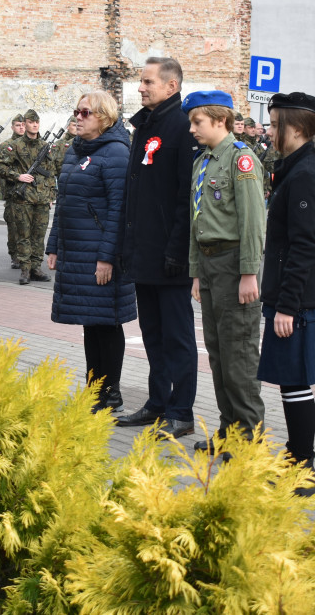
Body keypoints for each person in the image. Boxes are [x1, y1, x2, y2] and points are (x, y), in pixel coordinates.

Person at [259, 92, 315, 497]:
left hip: (300, 301)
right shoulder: (297, 168)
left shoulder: (306, 173)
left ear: (294, 128)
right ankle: (295, 459)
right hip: (294, 297)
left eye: (274, 125)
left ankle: (304, 469)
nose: (270, 131)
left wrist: (287, 305)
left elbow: (304, 246)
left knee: (296, 385)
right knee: (292, 384)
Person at [114, 57, 198, 437]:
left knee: (177, 338)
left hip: (170, 256)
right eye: (141, 81)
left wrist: (177, 251)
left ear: (171, 86)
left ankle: (181, 410)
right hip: (143, 253)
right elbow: (135, 194)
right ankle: (157, 403)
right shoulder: (145, 125)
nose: (141, 87)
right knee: (152, 335)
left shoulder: (181, 127)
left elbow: (185, 197)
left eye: (148, 81)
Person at [184, 90, 267, 452]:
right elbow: (197, 221)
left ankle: (248, 438)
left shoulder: (241, 160)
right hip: (210, 264)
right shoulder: (202, 162)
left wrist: (249, 272)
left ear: (220, 120)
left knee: (240, 357)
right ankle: (228, 430)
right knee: (218, 354)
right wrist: (196, 272)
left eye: (197, 122)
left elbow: (253, 221)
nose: (191, 129)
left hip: (235, 265)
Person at [46, 91, 136, 412]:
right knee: (90, 322)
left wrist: (107, 257)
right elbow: (64, 203)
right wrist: (54, 245)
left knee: (107, 324)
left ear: (104, 117)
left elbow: (119, 210)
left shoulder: (116, 153)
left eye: (86, 113)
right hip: (77, 252)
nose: (78, 117)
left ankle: (110, 392)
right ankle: (93, 388)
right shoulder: (76, 150)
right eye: (77, 112)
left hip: (100, 255)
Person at [0, 109, 58, 285]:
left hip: (41, 198)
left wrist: (51, 194)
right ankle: (25, 269)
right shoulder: (15, 146)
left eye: (36, 122)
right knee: (24, 235)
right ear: (25, 124)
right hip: (23, 198)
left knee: (38, 236)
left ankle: (36, 268)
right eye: (30, 122)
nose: (34, 125)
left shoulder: (45, 146)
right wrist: (18, 176)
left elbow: (50, 172)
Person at [2, 114, 25, 268]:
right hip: (13, 192)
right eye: (18, 125)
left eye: (23, 124)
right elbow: (1, 169)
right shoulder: (7, 146)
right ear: (12, 127)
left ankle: (27, 255)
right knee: (14, 226)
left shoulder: (33, 144)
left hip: (30, 194)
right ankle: (15, 255)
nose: (21, 127)